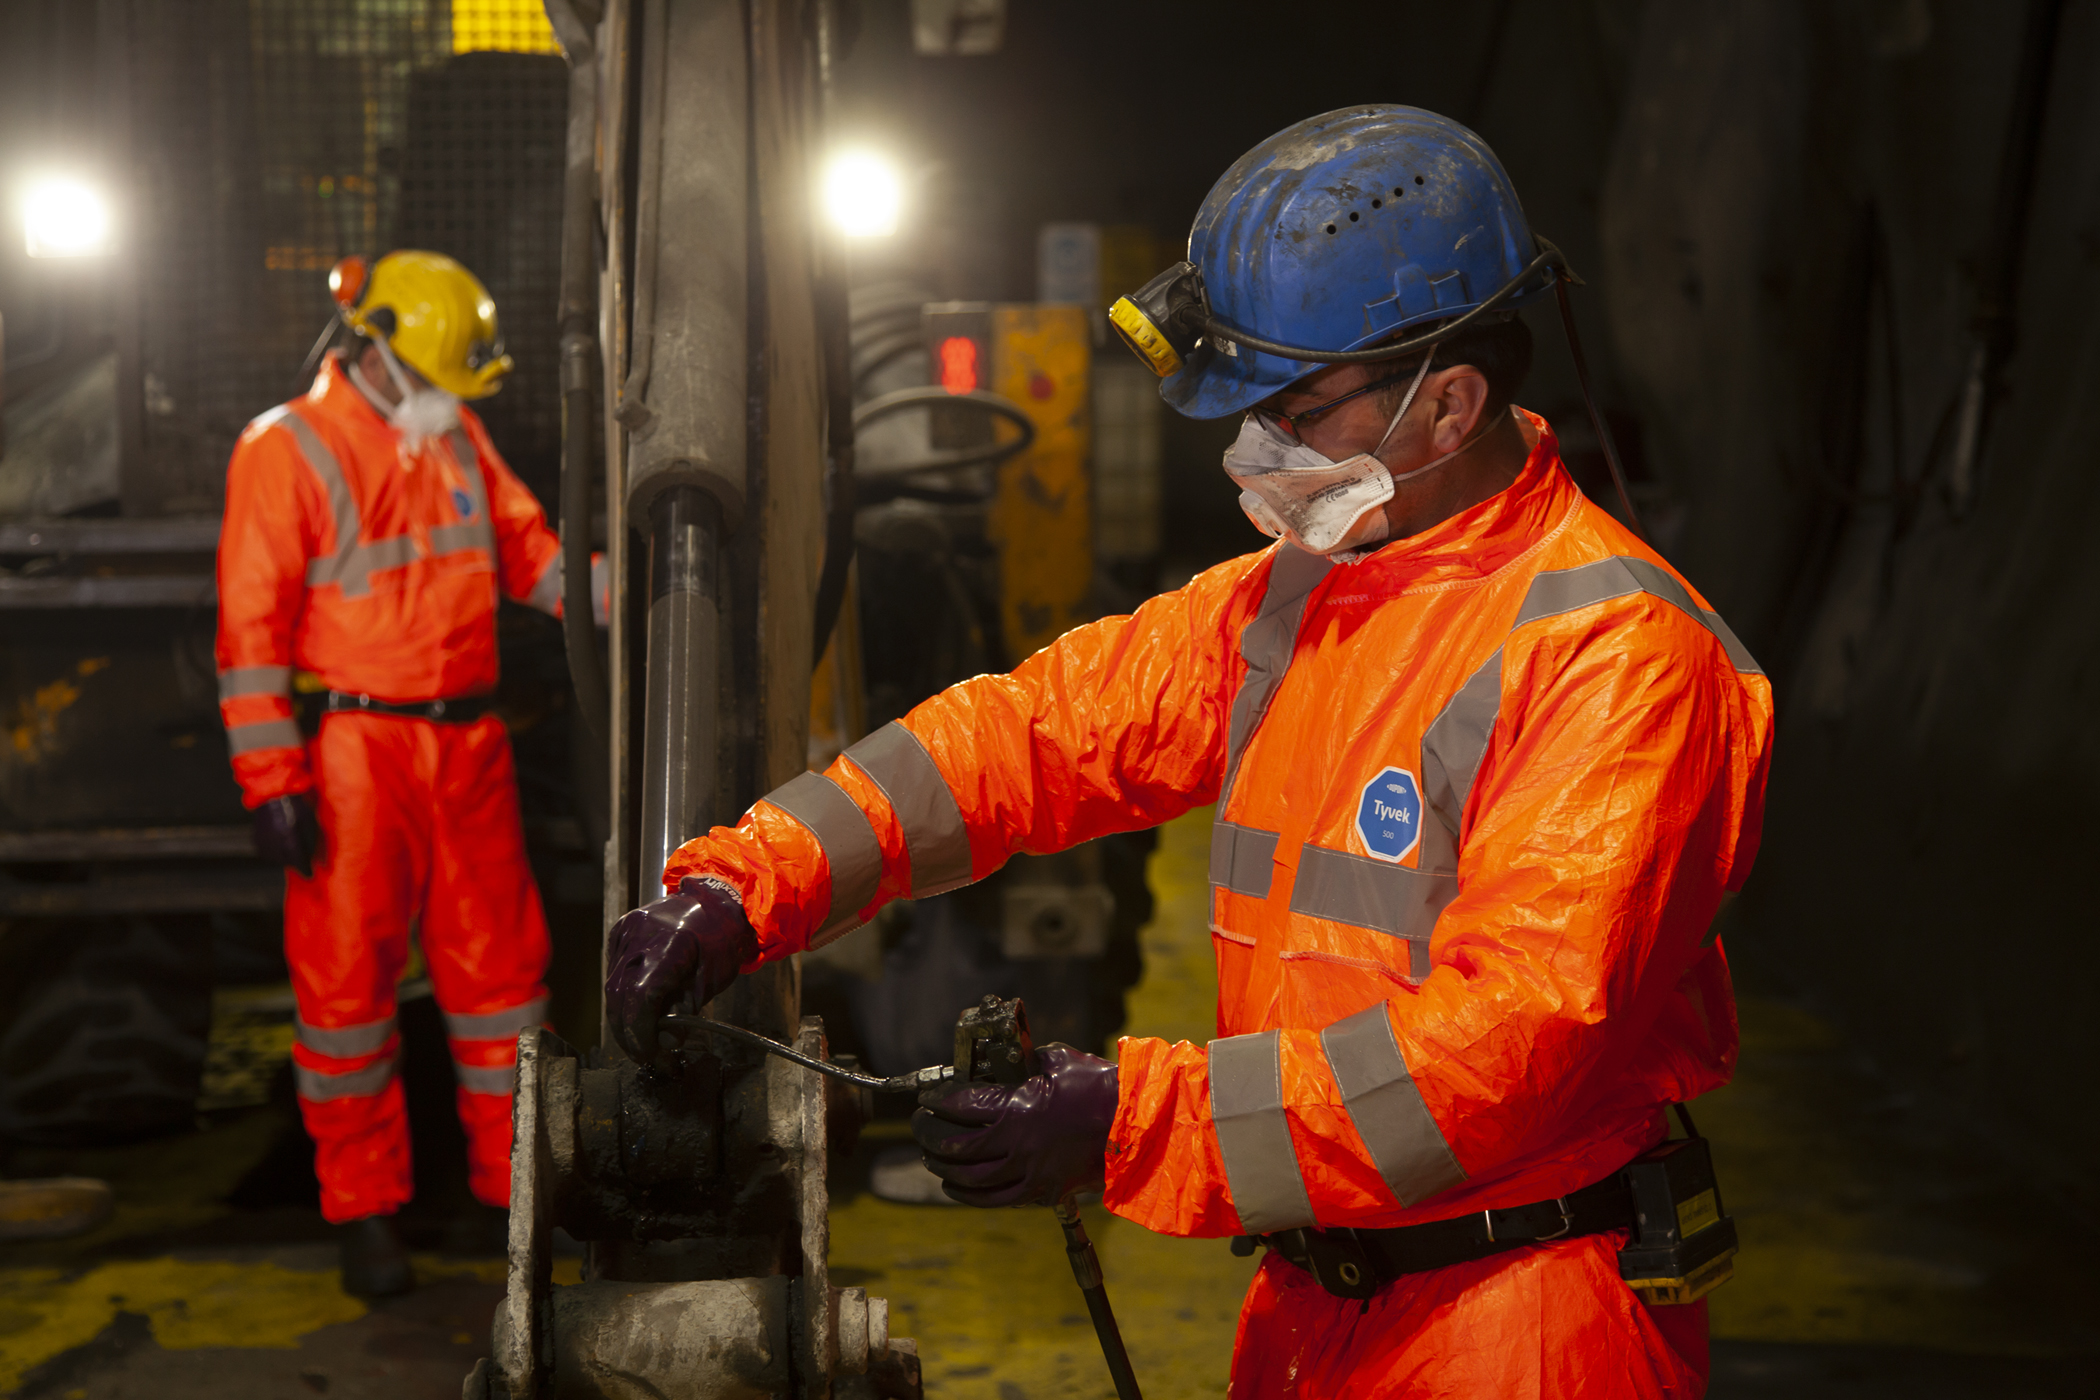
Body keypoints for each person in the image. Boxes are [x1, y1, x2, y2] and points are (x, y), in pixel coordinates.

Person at [605, 106, 1772, 1397]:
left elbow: (1508, 1050)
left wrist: (1131, 1120)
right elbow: (1037, 731)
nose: (1252, 451)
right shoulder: (1316, 587)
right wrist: (749, 885)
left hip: (1523, 1325)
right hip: (1318, 1301)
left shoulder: (1619, 656)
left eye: (1294, 410)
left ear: (1450, 403)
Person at [216, 251, 597, 1297]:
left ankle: (514, 1200)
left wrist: (633, 592)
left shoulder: (451, 432)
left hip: (468, 746)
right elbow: (249, 632)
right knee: (346, 995)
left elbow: (532, 555)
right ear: (374, 352)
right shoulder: (284, 448)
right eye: (435, 378)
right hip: (357, 753)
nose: (445, 398)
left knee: (505, 992)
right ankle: (366, 1216)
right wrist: (273, 782)